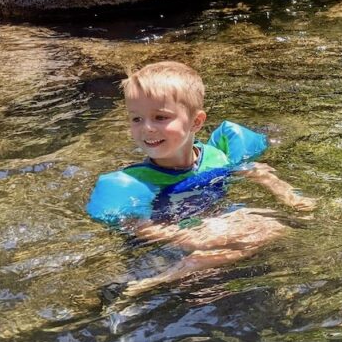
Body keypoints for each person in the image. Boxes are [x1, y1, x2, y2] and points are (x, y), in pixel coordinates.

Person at [86, 61, 315, 296]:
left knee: (273, 226)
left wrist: (289, 196)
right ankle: (165, 277)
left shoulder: (216, 158)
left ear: (196, 122)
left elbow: (254, 169)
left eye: (160, 117)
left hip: (208, 226)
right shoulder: (141, 181)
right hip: (165, 240)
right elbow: (136, 226)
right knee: (259, 228)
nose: (147, 128)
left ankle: (187, 271)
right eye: (136, 119)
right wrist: (189, 238)